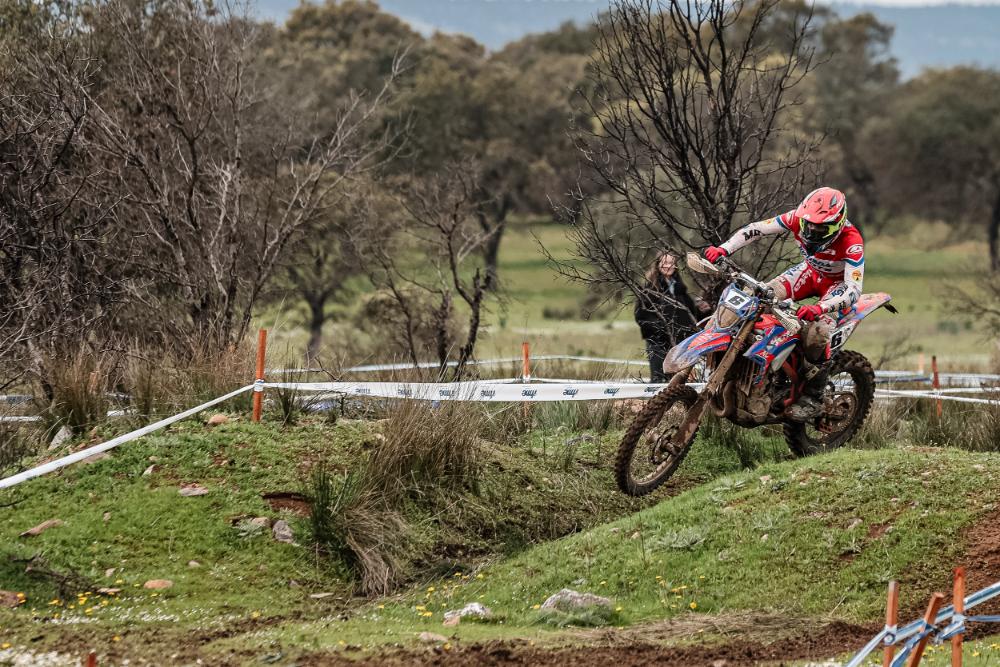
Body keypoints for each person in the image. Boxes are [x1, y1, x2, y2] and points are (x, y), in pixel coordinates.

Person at [704, 186, 864, 422]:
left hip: (837, 286)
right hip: (809, 273)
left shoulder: (852, 241)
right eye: (810, 226)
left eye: (820, 228)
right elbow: (757, 229)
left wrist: (821, 307)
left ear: (837, 223)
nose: (812, 231)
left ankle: (814, 396)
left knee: (818, 333)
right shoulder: (796, 219)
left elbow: (853, 289)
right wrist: (724, 249)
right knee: (759, 297)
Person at [634, 252, 711, 383]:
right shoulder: (650, 289)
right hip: (658, 343)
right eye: (664, 262)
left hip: (680, 343)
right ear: (658, 265)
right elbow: (641, 315)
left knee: (679, 380)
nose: (668, 266)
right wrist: (660, 330)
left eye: (671, 263)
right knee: (660, 380)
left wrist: (703, 311)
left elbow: (690, 314)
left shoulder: (679, 288)